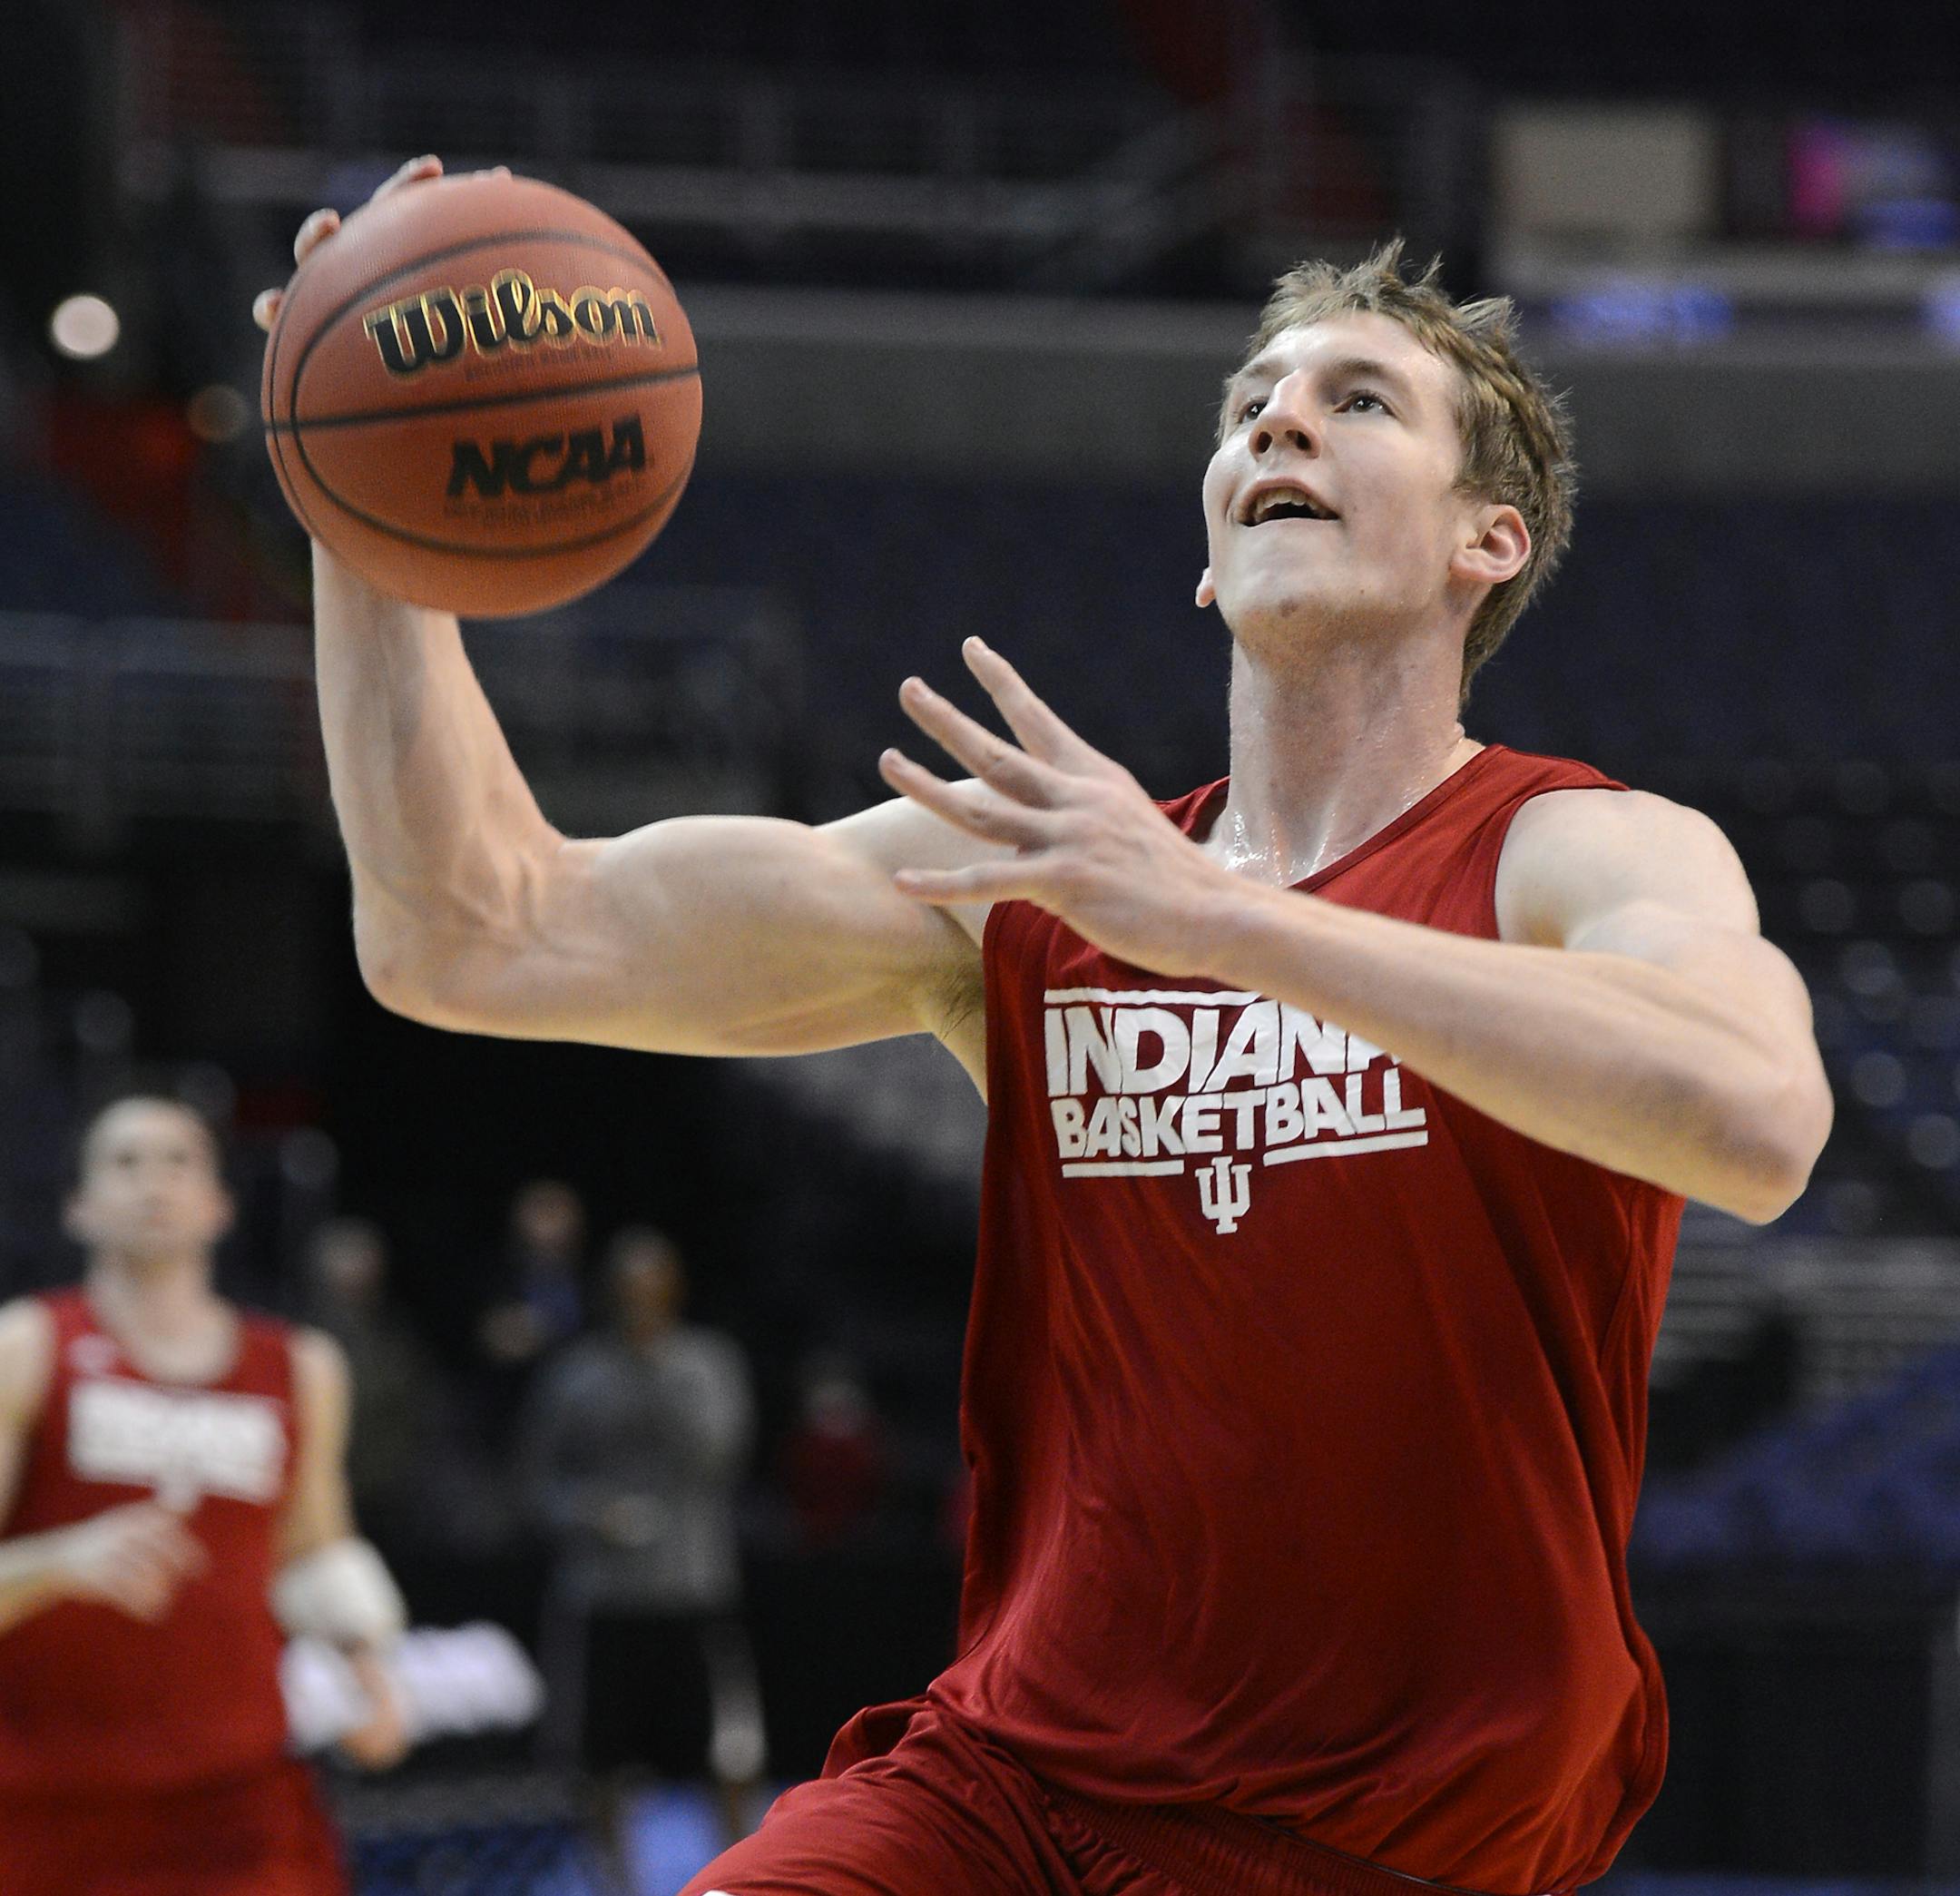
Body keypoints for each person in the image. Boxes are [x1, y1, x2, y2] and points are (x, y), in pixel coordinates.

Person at [259, 157, 1834, 1896]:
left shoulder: (1578, 848)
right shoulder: (1040, 876)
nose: (1277, 427)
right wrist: (367, 517)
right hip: (1013, 1783)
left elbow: (1758, 1119)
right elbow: (478, 935)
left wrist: (1231, 923)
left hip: (1401, 1834)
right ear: (1210, 545)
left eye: (1355, 399)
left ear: (1489, 539)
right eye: (1250, 409)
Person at [0, 1095, 411, 1896]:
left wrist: (367, 1664)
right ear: (78, 1206)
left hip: (237, 1796)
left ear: (219, 1203)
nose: (153, 1180)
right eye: (124, 1161)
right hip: (45, 1795)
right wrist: (60, 1560)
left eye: (177, 1160)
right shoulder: (26, 1345)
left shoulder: (300, 1364)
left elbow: (316, 1547)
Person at [518, 1227, 764, 1859]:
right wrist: (588, 1512)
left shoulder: (708, 1363)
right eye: (628, 1287)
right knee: (600, 1760)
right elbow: (535, 1483)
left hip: (693, 1587)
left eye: (653, 1286)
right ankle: (618, 1883)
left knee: (729, 1752)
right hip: (604, 1596)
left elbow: (721, 1454)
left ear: (676, 1290)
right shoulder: (574, 1375)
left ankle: (741, 1874)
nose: (640, 1299)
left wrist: (655, 1370)